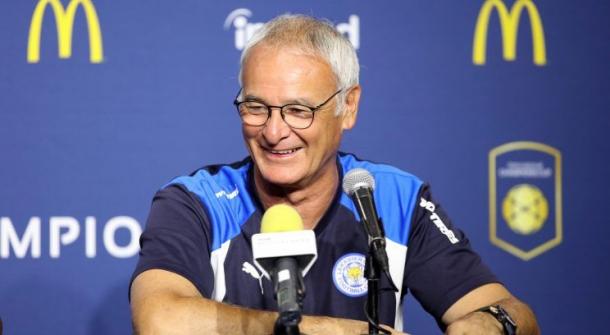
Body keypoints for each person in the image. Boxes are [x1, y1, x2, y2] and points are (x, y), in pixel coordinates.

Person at [130, 14, 540, 335]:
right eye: (256, 107)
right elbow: (160, 321)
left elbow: (513, 313)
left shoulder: (392, 198)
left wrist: (487, 323)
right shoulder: (194, 201)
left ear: (349, 107)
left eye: (298, 110)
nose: (273, 132)